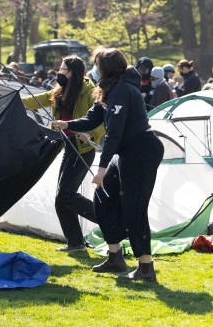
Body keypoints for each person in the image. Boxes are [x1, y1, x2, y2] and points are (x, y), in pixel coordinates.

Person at [52, 46, 164, 281]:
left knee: (135, 208)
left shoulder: (122, 90)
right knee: (102, 200)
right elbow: (92, 118)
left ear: (107, 68)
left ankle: (145, 267)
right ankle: (115, 257)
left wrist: (101, 170)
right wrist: (68, 124)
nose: (94, 69)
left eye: (97, 65)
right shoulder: (108, 89)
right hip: (127, 151)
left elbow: (114, 135)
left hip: (142, 151)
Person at [22, 56, 105, 252]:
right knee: (62, 198)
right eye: (59, 69)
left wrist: (91, 133)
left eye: (63, 70)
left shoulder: (90, 92)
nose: (59, 72)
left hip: (83, 149)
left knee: (66, 195)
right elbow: (35, 101)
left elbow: (103, 122)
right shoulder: (59, 91)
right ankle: (75, 243)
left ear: (73, 72)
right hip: (68, 147)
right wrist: (12, 101)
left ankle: (109, 218)